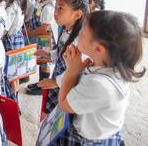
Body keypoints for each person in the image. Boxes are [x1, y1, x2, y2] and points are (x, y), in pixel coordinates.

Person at [56, 10, 145, 144]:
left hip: (88, 139)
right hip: (100, 131)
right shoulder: (108, 66)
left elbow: (64, 104)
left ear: (99, 49)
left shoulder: (101, 85)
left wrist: (71, 71)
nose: (78, 35)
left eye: (82, 33)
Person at [36, 0, 90, 112]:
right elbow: (61, 53)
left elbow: (77, 70)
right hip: (60, 79)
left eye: (60, 9)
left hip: (68, 84)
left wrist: (56, 82)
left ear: (77, 15)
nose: (55, 12)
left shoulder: (78, 42)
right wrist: (48, 54)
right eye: (55, 8)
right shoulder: (66, 30)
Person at [23, 0, 57, 95]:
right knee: (41, 60)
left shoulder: (48, 7)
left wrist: (29, 33)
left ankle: (43, 87)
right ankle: (40, 83)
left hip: (45, 37)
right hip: (39, 36)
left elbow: (44, 28)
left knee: (44, 63)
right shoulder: (40, 2)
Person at [2, 0, 27, 96]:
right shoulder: (20, 2)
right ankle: (16, 102)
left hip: (10, 42)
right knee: (15, 74)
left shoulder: (10, 9)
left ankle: (13, 100)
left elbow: (4, 31)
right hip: (17, 39)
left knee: (11, 75)